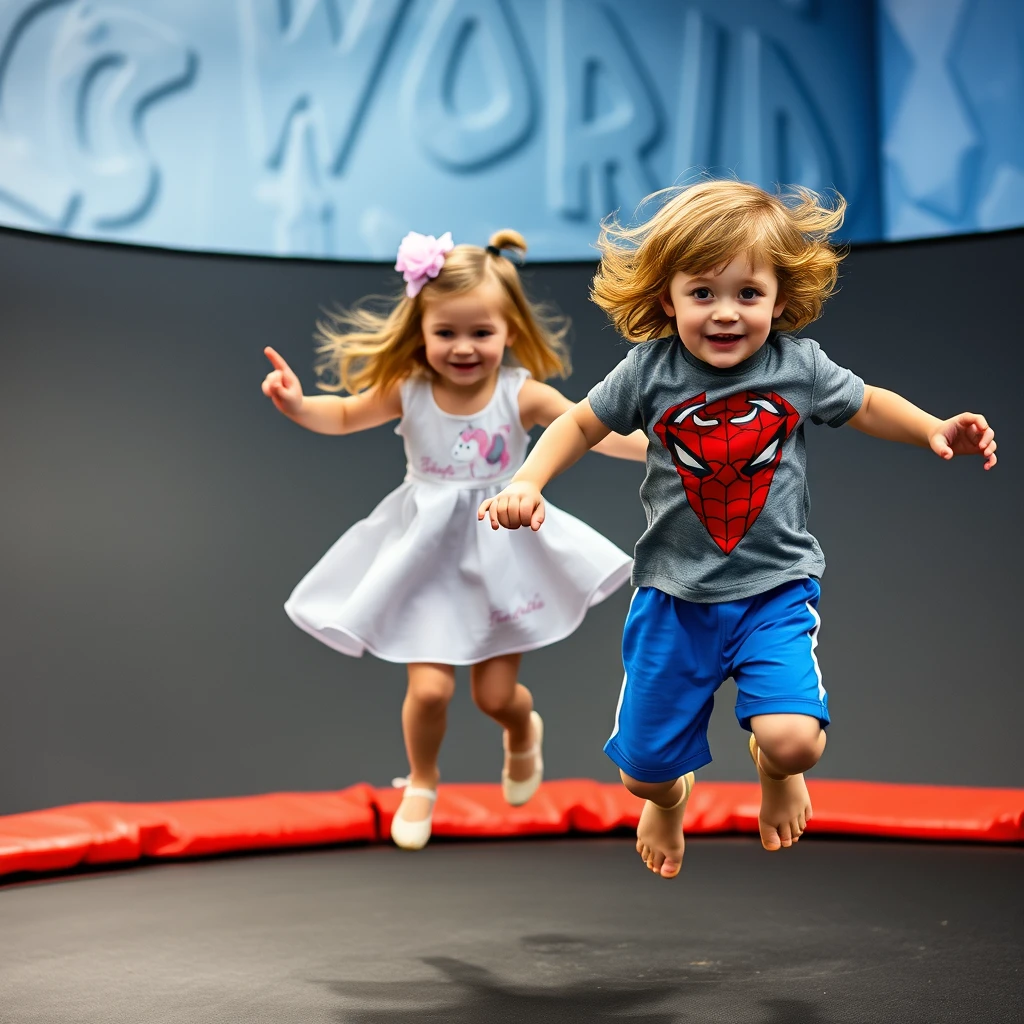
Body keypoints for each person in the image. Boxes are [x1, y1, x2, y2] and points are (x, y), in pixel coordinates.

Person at [478, 180, 997, 878]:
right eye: (703, 294)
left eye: (748, 295)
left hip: (772, 592)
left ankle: (776, 774)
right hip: (672, 599)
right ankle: (669, 798)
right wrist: (526, 481)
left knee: (794, 741)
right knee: (644, 776)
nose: (726, 314)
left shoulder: (798, 367)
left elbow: (868, 403)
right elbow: (576, 422)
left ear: (780, 299)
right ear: (668, 298)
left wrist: (933, 429)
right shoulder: (649, 371)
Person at [261, 228, 646, 851]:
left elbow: (591, 428)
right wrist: (300, 405)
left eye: (480, 333)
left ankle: (522, 730)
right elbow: (343, 413)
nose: (463, 348)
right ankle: (421, 780)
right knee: (431, 689)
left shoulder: (520, 393)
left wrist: (668, 450)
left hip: (501, 548)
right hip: (427, 555)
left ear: (509, 334)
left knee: (495, 696)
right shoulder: (409, 393)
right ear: (421, 335)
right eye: (446, 333)